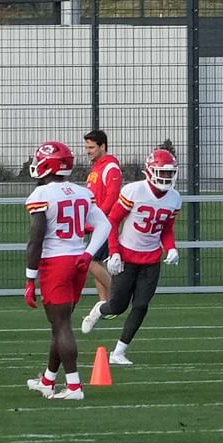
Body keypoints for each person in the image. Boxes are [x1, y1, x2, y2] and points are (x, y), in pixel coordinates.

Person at [22, 140, 109, 402]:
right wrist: (88, 253)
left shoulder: (42, 195)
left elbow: (35, 240)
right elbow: (103, 226)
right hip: (77, 262)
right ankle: (48, 380)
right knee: (61, 326)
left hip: (56, 264)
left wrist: (30, 279)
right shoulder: (82, 192)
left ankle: (74, 386)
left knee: (61, 326)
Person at [95, 145, 180, 368]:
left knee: (141, 305)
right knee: (117, 306)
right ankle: (99, 309)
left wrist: (171, 248)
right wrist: (114, 252)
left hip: (151, 259)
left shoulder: (174, 198)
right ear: (150, 172)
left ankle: (119, 351)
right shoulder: (134, 191)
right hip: (127, 255)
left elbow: (167, 229)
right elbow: (112, 221)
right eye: (162, 172)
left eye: (170, 173)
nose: (166, 177)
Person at [74, 131, 128, 332]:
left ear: (103, 146)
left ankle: (117, 297)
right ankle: (104, 305)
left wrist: (98, 221)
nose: (87, 151)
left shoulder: (111, 168)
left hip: (105, 224)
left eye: (91, 147)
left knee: (90, 260)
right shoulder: (96, 168)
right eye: (87, 147)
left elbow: (112, 198)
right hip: (97, 224)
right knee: (96, 262)